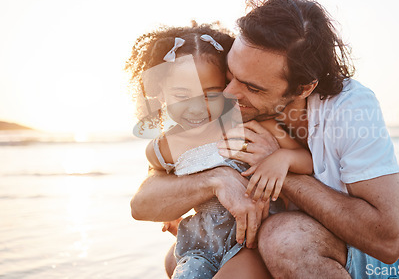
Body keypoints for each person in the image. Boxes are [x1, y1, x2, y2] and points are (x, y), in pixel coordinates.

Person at [131, 0, 399, 278]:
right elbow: (145, 198)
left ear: (303, 88)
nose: (228, 95)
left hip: (363, 250)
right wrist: (214, 181)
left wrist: (278, 167)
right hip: (274, 234)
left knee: (282, 240)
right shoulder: (227, 110)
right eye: (229, 75)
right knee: (179, 259)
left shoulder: (351, 110)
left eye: (252, 88)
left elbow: (388, 243)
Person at [126, 24, 313, 278]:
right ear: (160, 93)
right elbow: (156, 185)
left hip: (249, 241)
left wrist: (283, 158)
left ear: (227, 87)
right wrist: (170, 212)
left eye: (211, 94)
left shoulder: (250, 126)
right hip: (198, 245)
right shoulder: (163, 148)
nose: (196, 108)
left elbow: (308, 162)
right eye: (182, 95)